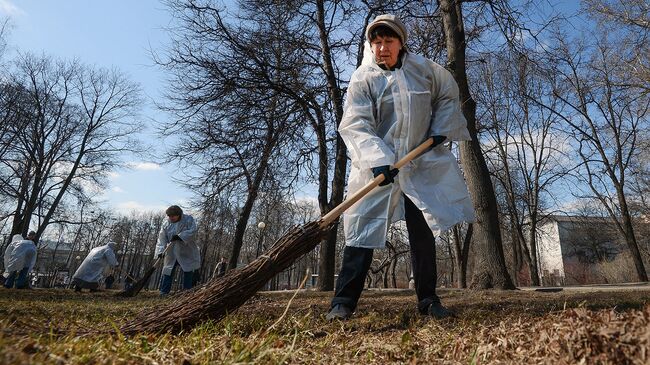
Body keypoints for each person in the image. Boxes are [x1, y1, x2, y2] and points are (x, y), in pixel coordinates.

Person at [326, 14, 475, 320]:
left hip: (418, 164)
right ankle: (343, 302)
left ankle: (428, 300)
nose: (382, 48)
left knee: (422, 232)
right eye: (376, 42)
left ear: (401, 42)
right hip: (377, 168)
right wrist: (378, 159)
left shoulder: (425, 71)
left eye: (388, 41)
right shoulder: (363, 78)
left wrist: (440, 128)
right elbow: (356, 123)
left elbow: (448, 96)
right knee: (361, 229)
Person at [155, 205, 200, 295]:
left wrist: (181, 236)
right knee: (168, 271)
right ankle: (164, 292)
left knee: (188, 270)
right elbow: (161, 238)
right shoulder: (166, 223)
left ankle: (187, 291)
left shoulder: (188, 220)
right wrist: (160, 251)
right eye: (169, 216)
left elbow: (193, 231)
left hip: (186, 251)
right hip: (171, 252)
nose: (171, 218)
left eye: (173, 216)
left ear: (179, 215)